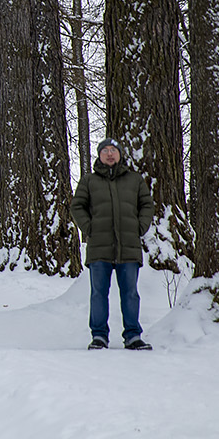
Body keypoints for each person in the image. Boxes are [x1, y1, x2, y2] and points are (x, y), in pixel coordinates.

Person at [71, 138, 154, 350]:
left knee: (130, 293)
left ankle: (133, 336)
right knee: (99, 293)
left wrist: (139, 227)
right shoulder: (89, 181)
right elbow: (77, 206)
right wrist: (89, 229)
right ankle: (99, 336)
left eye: (113, 150)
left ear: (120, 154)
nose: (110, 154)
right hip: (99, 248)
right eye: (105, 150)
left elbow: (146, 205)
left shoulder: (134, 180)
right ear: (99, 155)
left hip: (128, 247)